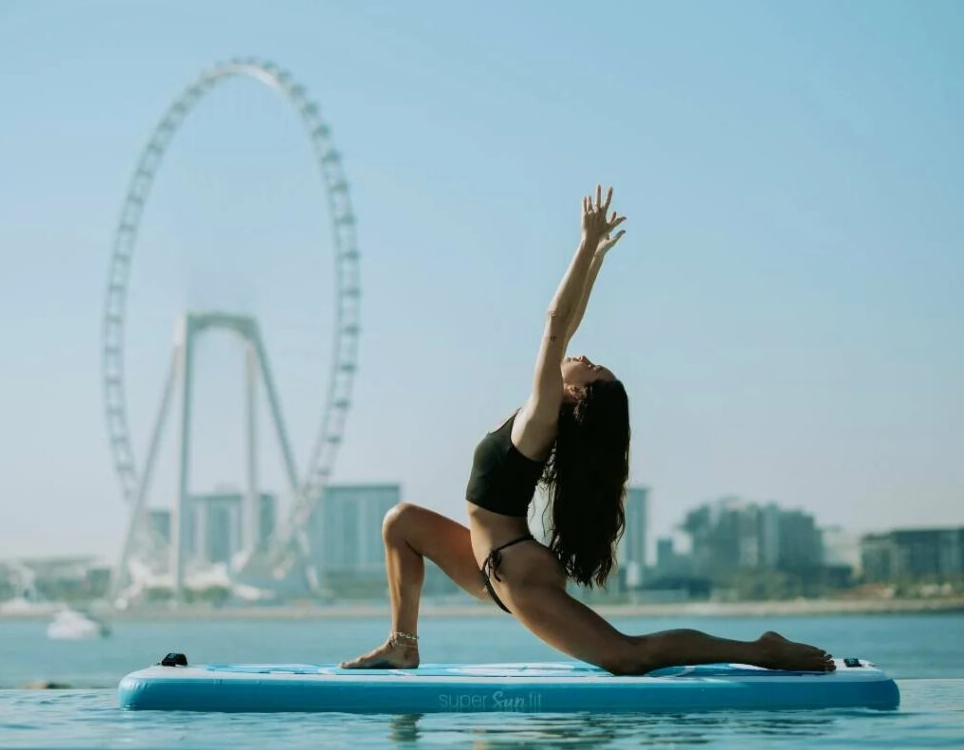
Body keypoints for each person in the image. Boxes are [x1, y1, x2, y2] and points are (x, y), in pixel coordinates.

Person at [342, 186, 834, 675]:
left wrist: (583, 244)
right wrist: (597, 259)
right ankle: (402, 644)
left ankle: (761, 650)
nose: (582, 357)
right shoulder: (542, 413)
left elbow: (556, 325)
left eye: (591, 367)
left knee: (626, 656)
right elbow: (569, 325)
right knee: (400, 521)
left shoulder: (542, 416)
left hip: (514, 570)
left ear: (576, 396)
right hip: (486, 560)